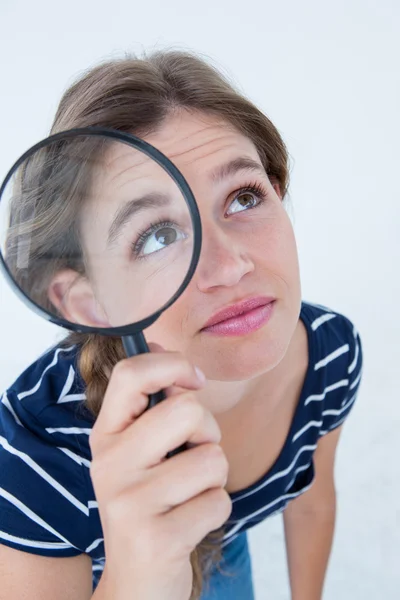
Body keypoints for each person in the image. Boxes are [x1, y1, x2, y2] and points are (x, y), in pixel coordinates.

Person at [0, 49, 363, 600]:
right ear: (88, 302)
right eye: (157, 236)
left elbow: (310, 501)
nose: (231, 266)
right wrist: (139, 578)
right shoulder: (33, 455)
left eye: (243, 197)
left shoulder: (333, 356)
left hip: (223, 543)